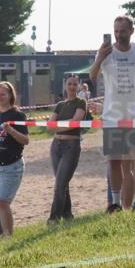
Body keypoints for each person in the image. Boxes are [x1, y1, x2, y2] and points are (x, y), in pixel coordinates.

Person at [89, 16, 135, 212]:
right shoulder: (106, 53)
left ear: (131, 31)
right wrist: (100, 57)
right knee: (114, 161)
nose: (118, 35)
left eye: (122, 31)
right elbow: (92, 76)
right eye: (116, 31)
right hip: (112, 114)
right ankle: (115, 203)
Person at [0, 81, 28, 235]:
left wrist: (11, 130)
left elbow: (25, 140)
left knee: (2, 201)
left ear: (10, 95)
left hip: (12, 165)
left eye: (2, 94)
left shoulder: (17, 114)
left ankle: (7, 236)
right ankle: (4, 232)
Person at [48, 75, 86, 222]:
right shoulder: (60, 105)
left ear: (79, 86)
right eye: (69, 84)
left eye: (74, 84)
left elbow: (76, 121)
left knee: (60, 184)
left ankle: (54, 218)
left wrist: (58, 126)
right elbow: (51, 126)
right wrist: (63, 126)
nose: (71, 87)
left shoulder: (81, 102)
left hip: (71, 146)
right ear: (65, 85)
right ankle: (67, 215)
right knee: (62, 182)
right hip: (56, 146)